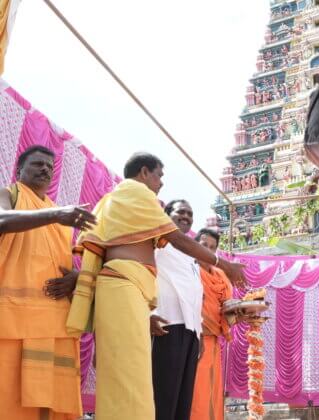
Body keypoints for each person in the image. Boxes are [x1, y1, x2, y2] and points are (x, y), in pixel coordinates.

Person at [66, 152, 246, 420]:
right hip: (127, 289)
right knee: (130, 374)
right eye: (159, 175)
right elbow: (174, 237)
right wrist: (224, 264)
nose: (161, 182)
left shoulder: (121, 201)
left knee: (134, 374)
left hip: (138, 293)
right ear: (143, 172)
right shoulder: (136, 193)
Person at [0, 145, 96, 419]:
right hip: (12, 319)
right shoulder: (10, 194)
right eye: (38, 164)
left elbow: (63, 261)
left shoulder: (57, 212)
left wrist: (77, 278)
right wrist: (55, 215)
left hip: (54, 320)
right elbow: (1, 219)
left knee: (48, 403)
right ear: (19, 169)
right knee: (8, 398)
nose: (45, 169)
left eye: (49, 167)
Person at [151, 199, 204, 420]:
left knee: (183, 402)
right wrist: (148, 315)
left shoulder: (192, 255)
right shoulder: (157, 243)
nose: (186, 217)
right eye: (180, 212)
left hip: (190, 333)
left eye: (190, 214)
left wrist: (198, 335)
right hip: (167, 327)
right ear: (166, 214)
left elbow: (194, 296)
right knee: (164, 399)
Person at [190, 229, 236, 420]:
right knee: (196, 396)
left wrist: (242, 314)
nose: (207, 251)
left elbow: (227, 314)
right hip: (193, 342)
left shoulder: (220, 276)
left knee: (212, 395)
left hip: (214, 344)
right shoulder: (189, 271)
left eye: (212, 248)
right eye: (203, 246)